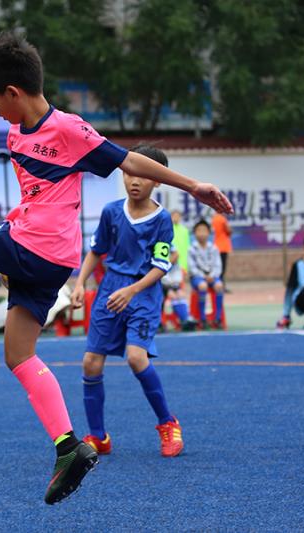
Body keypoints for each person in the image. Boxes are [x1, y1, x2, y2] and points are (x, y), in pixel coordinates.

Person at [0, 33, 232, 504]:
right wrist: (9, 238)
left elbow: (129, 160)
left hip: (35, 247)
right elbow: (37, 196)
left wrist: (193, 185)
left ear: (13, 92)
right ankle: (68, 447)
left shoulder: (69, 129)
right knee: (18, 355)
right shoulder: (16, 134)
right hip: (51, 260)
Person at [71, 144, 184, 459]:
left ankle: (168, 424)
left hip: (143, 293)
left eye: (143, 175)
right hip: (110, 291)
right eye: (129, 173)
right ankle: (98, 437)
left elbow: (161, 266)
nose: (134, 180)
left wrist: (132, 291)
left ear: (158, 179)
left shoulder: (162, 219)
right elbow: (96, 251)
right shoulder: (111, 211)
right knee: (91, 362)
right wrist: (79, 283)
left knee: (136, 357)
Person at [188, 219, 225, 329]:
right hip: (197, 278)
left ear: (209, 233)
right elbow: (192, 268)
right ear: (195, 233)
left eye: (204, 231)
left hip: (212, 277)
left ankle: (217, 319)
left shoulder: (214, 248)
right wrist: (203, 276)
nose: (202, 233)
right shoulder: (191, 249)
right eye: (199, 231)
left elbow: (218, 265)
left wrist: (212, 276)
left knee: (219, 285)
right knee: (202, 286)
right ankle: (202, 319)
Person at [211, 211, 233, 285]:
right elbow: (229, 231)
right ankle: (221, 284)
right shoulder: (223, 219)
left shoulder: (214, 218)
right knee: (222, 267)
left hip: (216, 244)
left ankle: (218, 283)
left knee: (217, 266)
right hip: (223, 246)